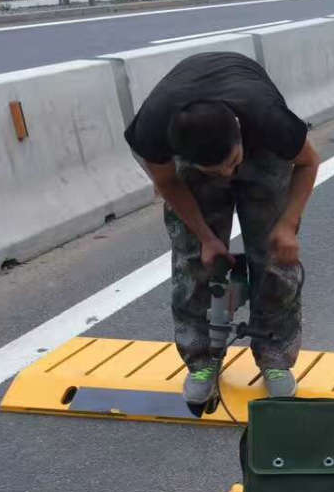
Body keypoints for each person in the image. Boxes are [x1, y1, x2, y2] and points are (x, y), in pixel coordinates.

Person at [124, 52, 320, 404]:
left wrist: (288, 227)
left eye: (232, 164)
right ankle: (201, 359)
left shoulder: (270, 121)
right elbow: (169, 185)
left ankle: (274, 354)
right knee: (193, 260)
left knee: (274, 254)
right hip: (195, 136)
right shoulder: (151, 132)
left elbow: (309, 162)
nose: (228, 176)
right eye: (215, 172)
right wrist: (206, 237)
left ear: (240, 137)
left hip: (260, 145)